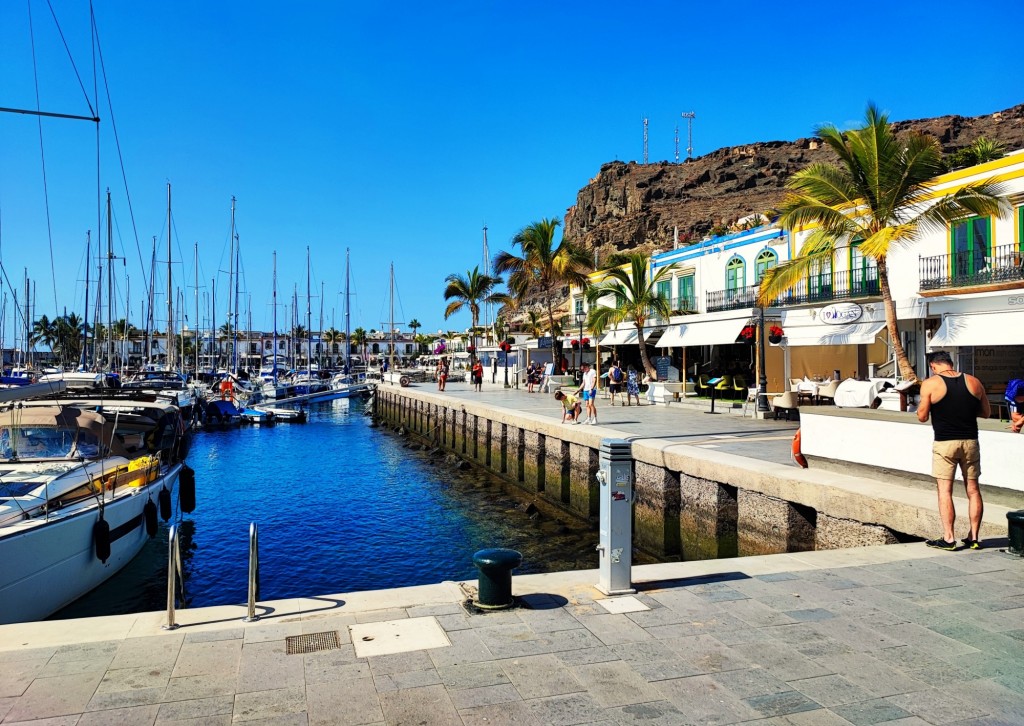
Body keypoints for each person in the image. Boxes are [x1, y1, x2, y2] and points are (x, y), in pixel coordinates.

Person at [916, 350, 990, 550]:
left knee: (944, 491)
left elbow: (922, 416)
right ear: (950, 362)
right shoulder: (974, 381)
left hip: (945, 443)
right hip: (970, 441)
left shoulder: (931, 384)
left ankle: (949, 538)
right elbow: (986, 412)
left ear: (933, 366)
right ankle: (974, 537)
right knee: (973, 490)